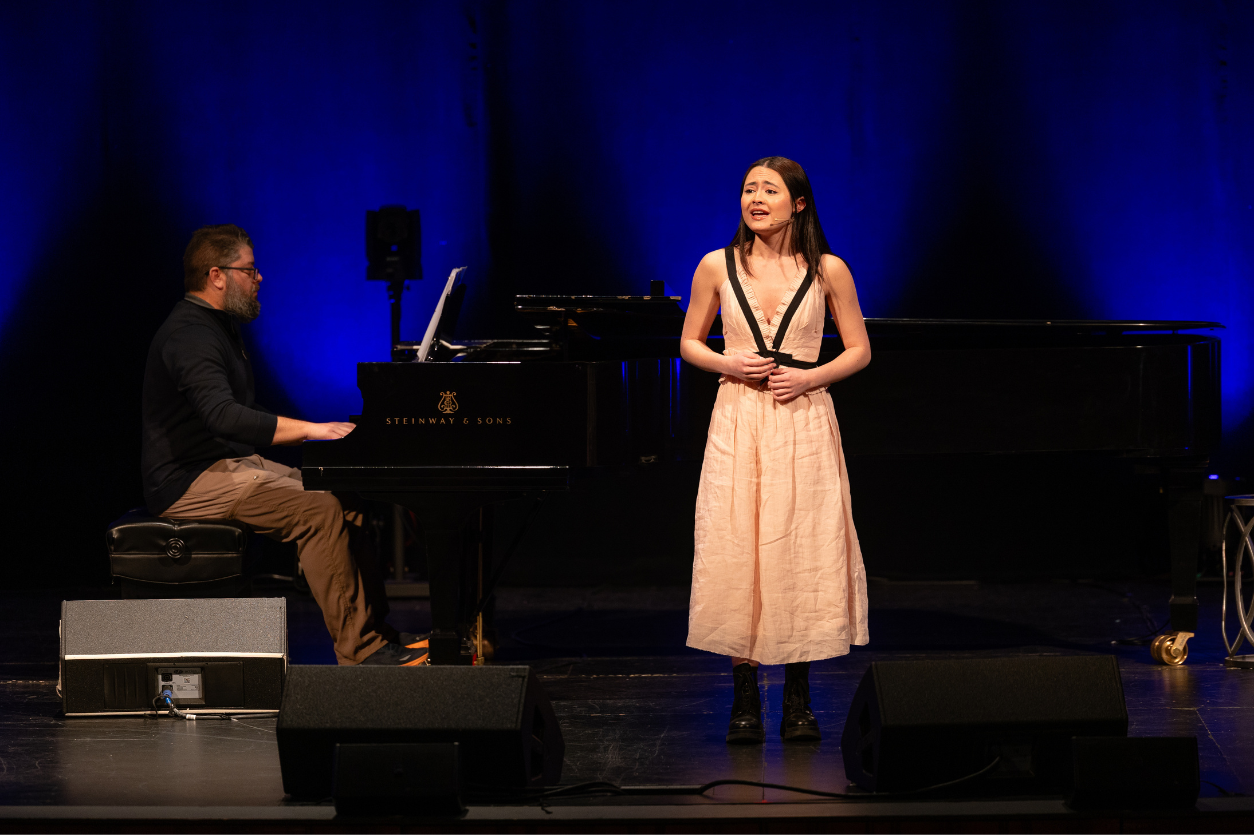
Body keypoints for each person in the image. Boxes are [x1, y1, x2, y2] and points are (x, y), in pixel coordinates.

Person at [141, 224, 426, 665]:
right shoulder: (190, 336)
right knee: (318, 510)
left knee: (345, 494)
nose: (259, 278)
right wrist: (314, 429)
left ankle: (376, 631)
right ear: (217, 275)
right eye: (249, 270)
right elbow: (224, 417)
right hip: (187, 482)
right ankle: (361, 653)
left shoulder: (218, 326)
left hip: (223, 465)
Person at [680, 157, 871, 743]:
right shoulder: (716, 265)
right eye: (747, 189)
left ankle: (797, 699)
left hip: (803, 420)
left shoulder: (828, 270)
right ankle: (743, 700)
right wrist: (727, 361)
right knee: (738, 549)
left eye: (769, 189)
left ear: (799, 203)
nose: (755, 198)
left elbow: (859, 349)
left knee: (799, 554)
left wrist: (811, 377)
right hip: (738, 417)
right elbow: (688, 342)